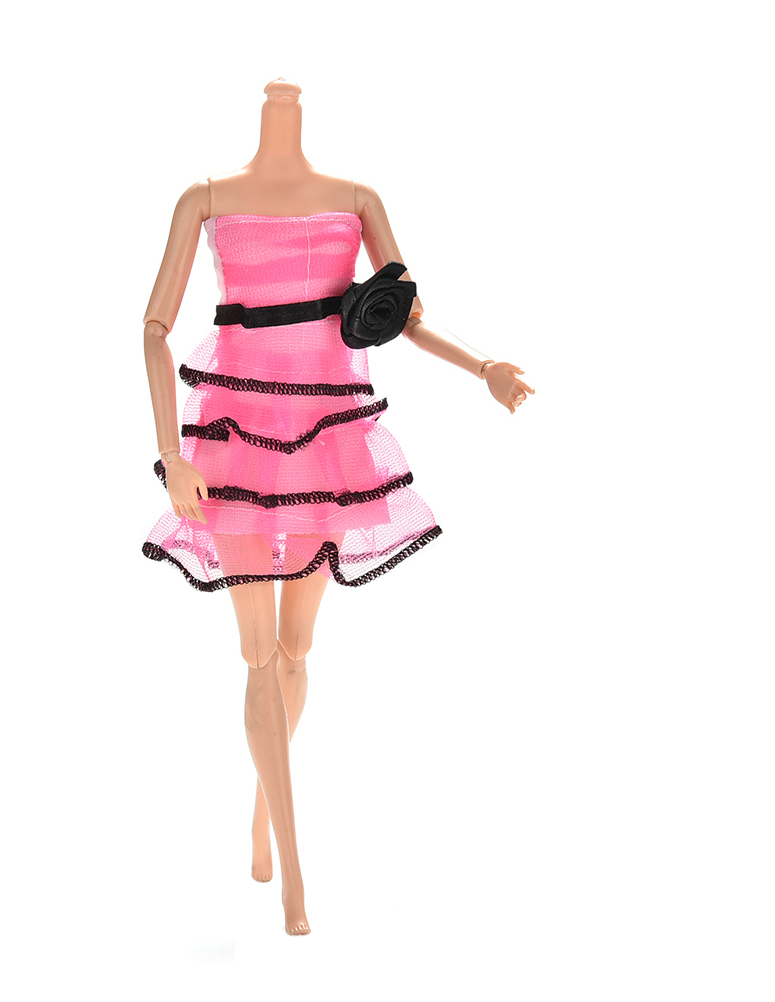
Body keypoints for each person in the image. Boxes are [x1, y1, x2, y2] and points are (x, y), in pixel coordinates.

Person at [141, 79, 534, 935]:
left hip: (326, 439)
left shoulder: (357, 199)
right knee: (257, 654)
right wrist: (172, 454)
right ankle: (293, 876)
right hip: (236, 438)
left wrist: (484, 367)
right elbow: (154, 328)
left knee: (296, 649)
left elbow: (407, 318)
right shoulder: (206, 199)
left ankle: (261, 812)